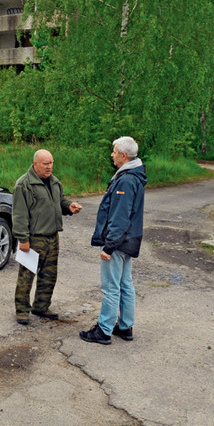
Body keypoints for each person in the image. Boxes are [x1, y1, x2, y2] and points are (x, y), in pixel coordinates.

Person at [80, 136, 147, 345]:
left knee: (111, 286)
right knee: (125, 284)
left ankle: (104, 330)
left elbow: (119, 216)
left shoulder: (126, 180)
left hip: (118, 242)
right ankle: (125, 326)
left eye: (114, 151)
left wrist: (109, 246)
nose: (112, 155)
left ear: (123, 155)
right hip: (129, 240)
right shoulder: (133, 175)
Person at [13, 149, 82, 325]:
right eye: (45, 163)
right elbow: (19, 214)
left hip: (52, 237)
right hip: (34, 238)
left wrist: (69, 207)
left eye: (51, 162)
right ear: (35, 164)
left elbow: (59, 202)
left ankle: (41, 306)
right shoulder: (24, 184)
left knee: (49, 275)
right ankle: (22, 310)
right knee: (26, 275)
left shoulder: (55, 182)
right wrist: (23, 238)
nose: (49, 166)